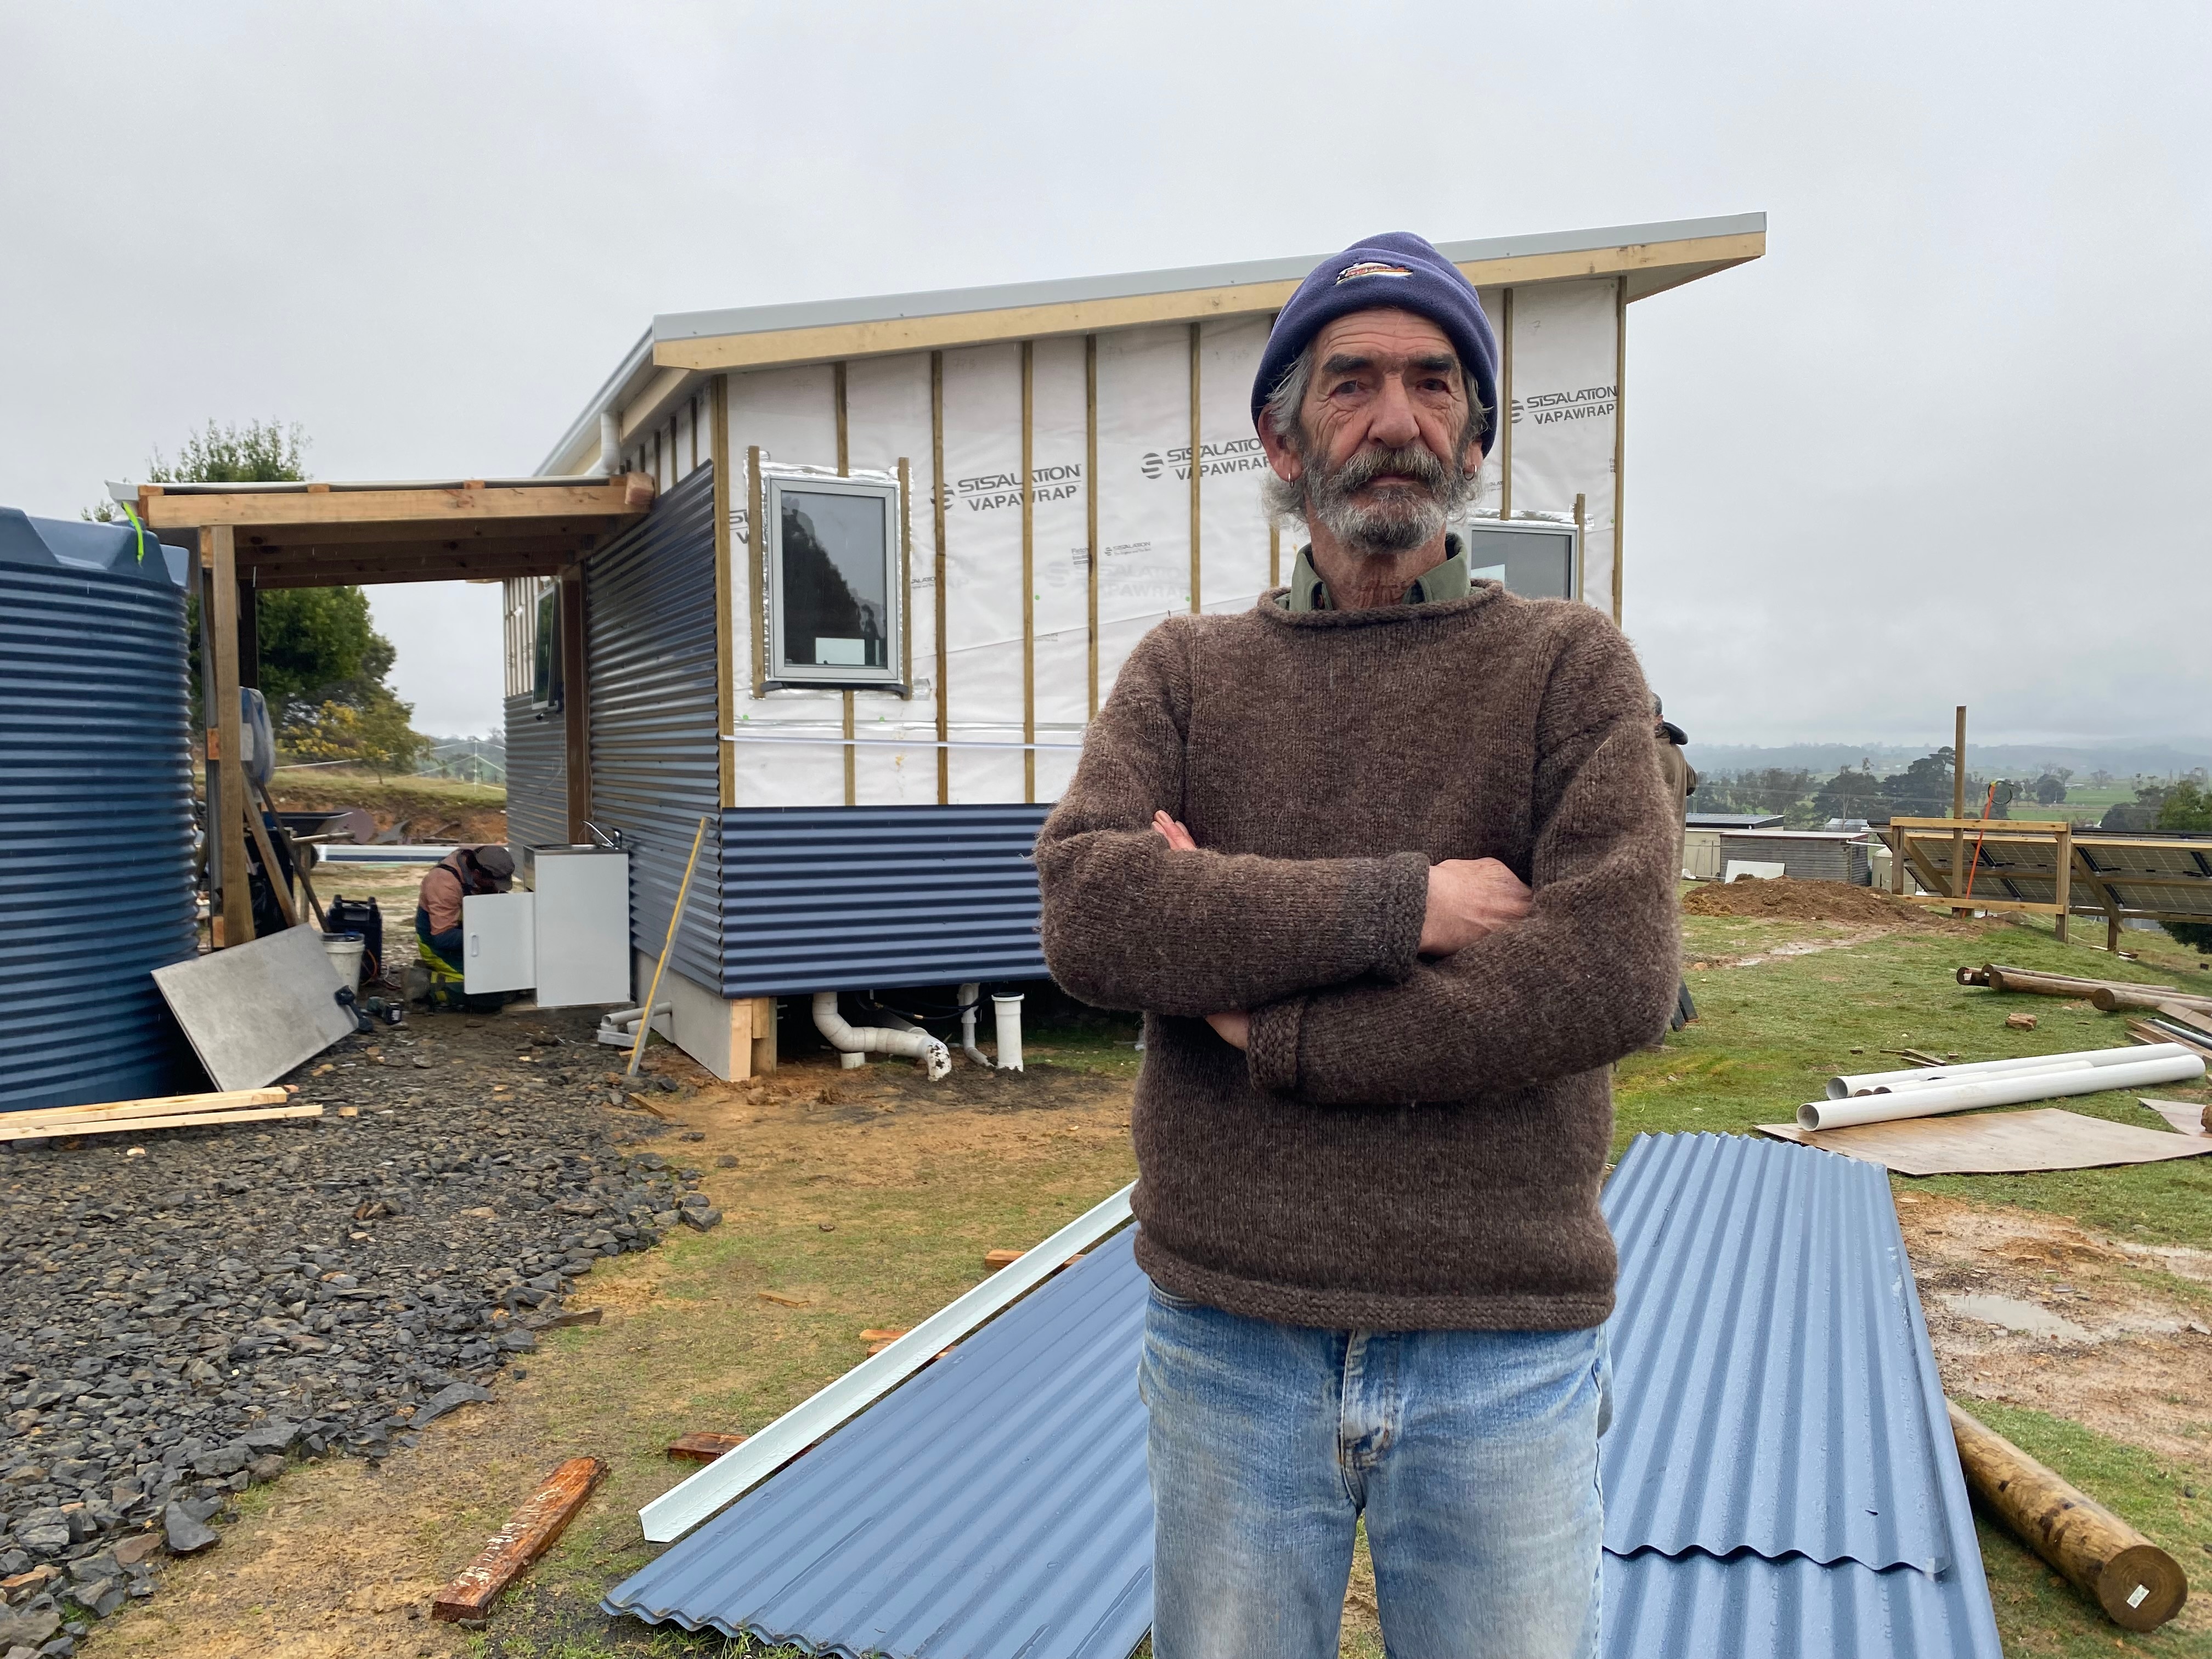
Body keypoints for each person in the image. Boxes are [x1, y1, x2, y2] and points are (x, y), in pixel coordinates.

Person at [1035, 233, 1682, 1659]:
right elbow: (1093, 908)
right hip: (1231, 1332)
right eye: (1352, 383)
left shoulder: (1569, 667)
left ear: (1476, 437)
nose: (1397, 418)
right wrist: (1411, 907)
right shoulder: (1186, 673)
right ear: (1283, 437)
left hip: (1503, 1339)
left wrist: (1267, 1022)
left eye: (1434, 383)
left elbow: (1610, 973)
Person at [415, 844, 515, 973]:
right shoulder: (444, 884)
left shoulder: (479, 856)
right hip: (438, 945)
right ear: (477, 874)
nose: (496, 888)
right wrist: (489, 934)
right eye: (493, 883)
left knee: (506, 968)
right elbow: (443, 938)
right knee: (480, 979)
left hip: (469, 933)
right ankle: (427, 979)